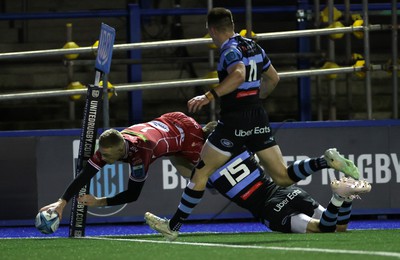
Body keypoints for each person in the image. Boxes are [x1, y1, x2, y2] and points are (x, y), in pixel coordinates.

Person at [143, 7, 360, 240]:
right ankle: (324, 161)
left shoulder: (229, 50)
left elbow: (238, 74)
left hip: (234, 119)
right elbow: (273, 79)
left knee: (200, 175)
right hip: (257, 114)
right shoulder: (253, 45)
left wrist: (207, 97)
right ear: (232, 24)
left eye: (210, 33)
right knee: (282, 176)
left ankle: (173, 226)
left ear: (213, 30)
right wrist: (257, 98)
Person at [145, 148, 371, 239]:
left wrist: (173, 153)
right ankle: (346, 196)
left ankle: (339, 197)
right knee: (339, 228)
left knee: (323, 230)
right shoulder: (242, 150)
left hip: (270, 209)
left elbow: (191, 178)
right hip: (287, 191)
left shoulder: (206, 172)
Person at [39, 112, 216, 221]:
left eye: (107, 155)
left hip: (188, 136)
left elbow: (133, 195)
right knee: (187, 171)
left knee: (209, 173)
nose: (103, 158)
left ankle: (219, 180)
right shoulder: (110, 146)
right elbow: (86, 174)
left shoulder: (140, 152)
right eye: (102, 153)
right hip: (169, 122)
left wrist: (100, 201)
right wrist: (62, 202)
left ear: (120, 149)